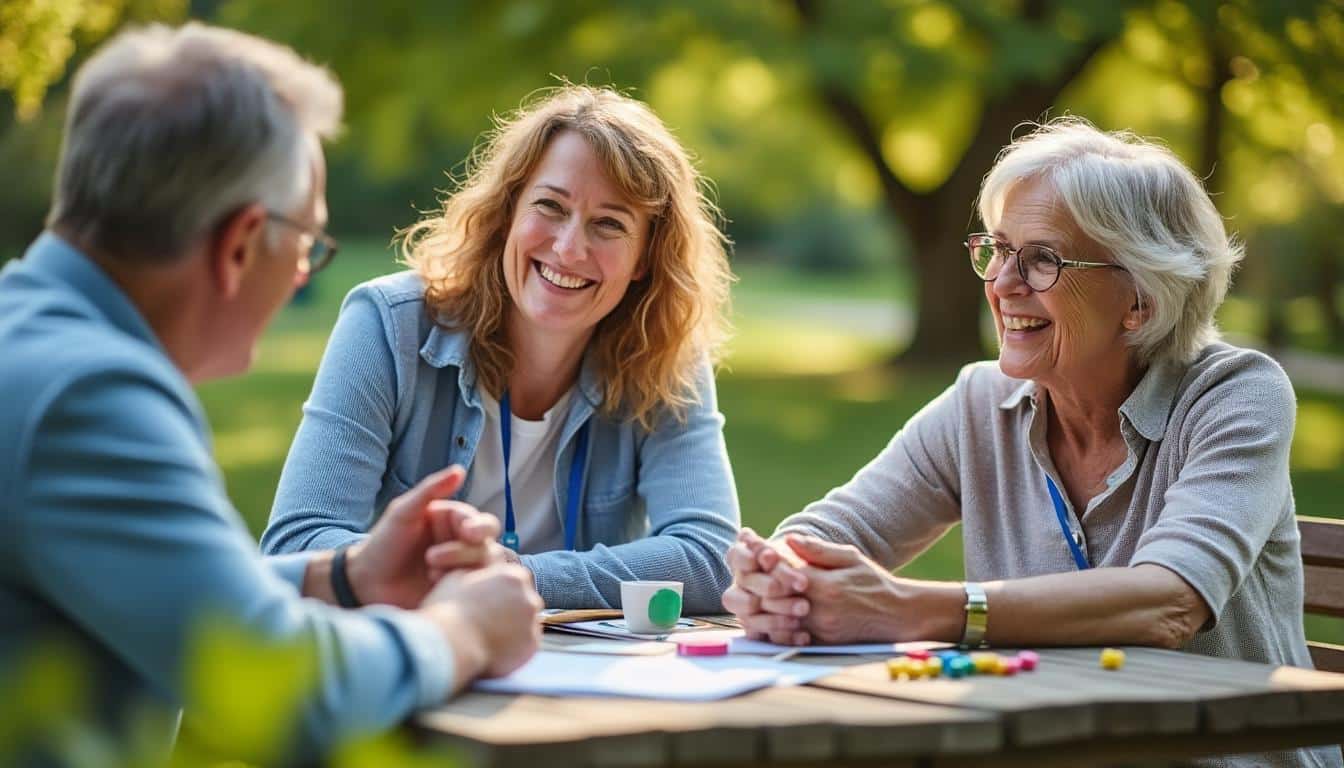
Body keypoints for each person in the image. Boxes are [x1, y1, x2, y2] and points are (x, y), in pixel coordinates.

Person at [723, 119, 1340, 768]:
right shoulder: (980, 402)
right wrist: (778, 576)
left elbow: (1169, 600)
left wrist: (911, 609)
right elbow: (829, 533)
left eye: (1042, 259)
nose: (1001, 282)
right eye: (997, 248)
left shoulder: (1235, 394)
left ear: (1140, 302)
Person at [0, 23, 542, 761]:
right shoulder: (87, 396)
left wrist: (348, 574)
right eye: (307, 246)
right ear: (239, 245)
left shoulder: (28, 338)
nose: (301, 274)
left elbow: (174, 590)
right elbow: (280, 689)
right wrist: (463, 630)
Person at [261, 85, 739, 611]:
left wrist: (518, 576)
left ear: (645, 259)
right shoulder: (388, 325)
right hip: (412, 658)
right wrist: (466, 581)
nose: (568, 247)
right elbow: (298, 542)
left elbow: (712, 558)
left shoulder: (664, 354)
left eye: (609, 224)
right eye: (550, 206)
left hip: (575, 679)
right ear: (508, 212)